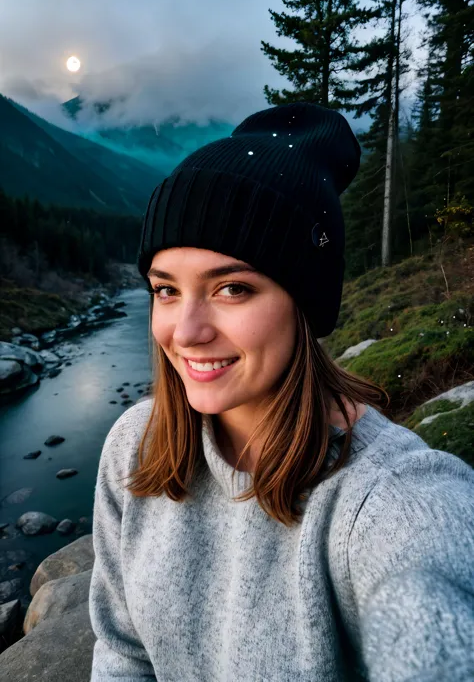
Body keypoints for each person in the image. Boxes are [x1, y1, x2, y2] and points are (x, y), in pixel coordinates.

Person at [88, 102, 474, 681]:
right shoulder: (135, 446)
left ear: (305, 304)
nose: (186, 332)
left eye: (233, 288)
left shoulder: (388, 502)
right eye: (165, 290)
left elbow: (432, 608)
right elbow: (122, 652)